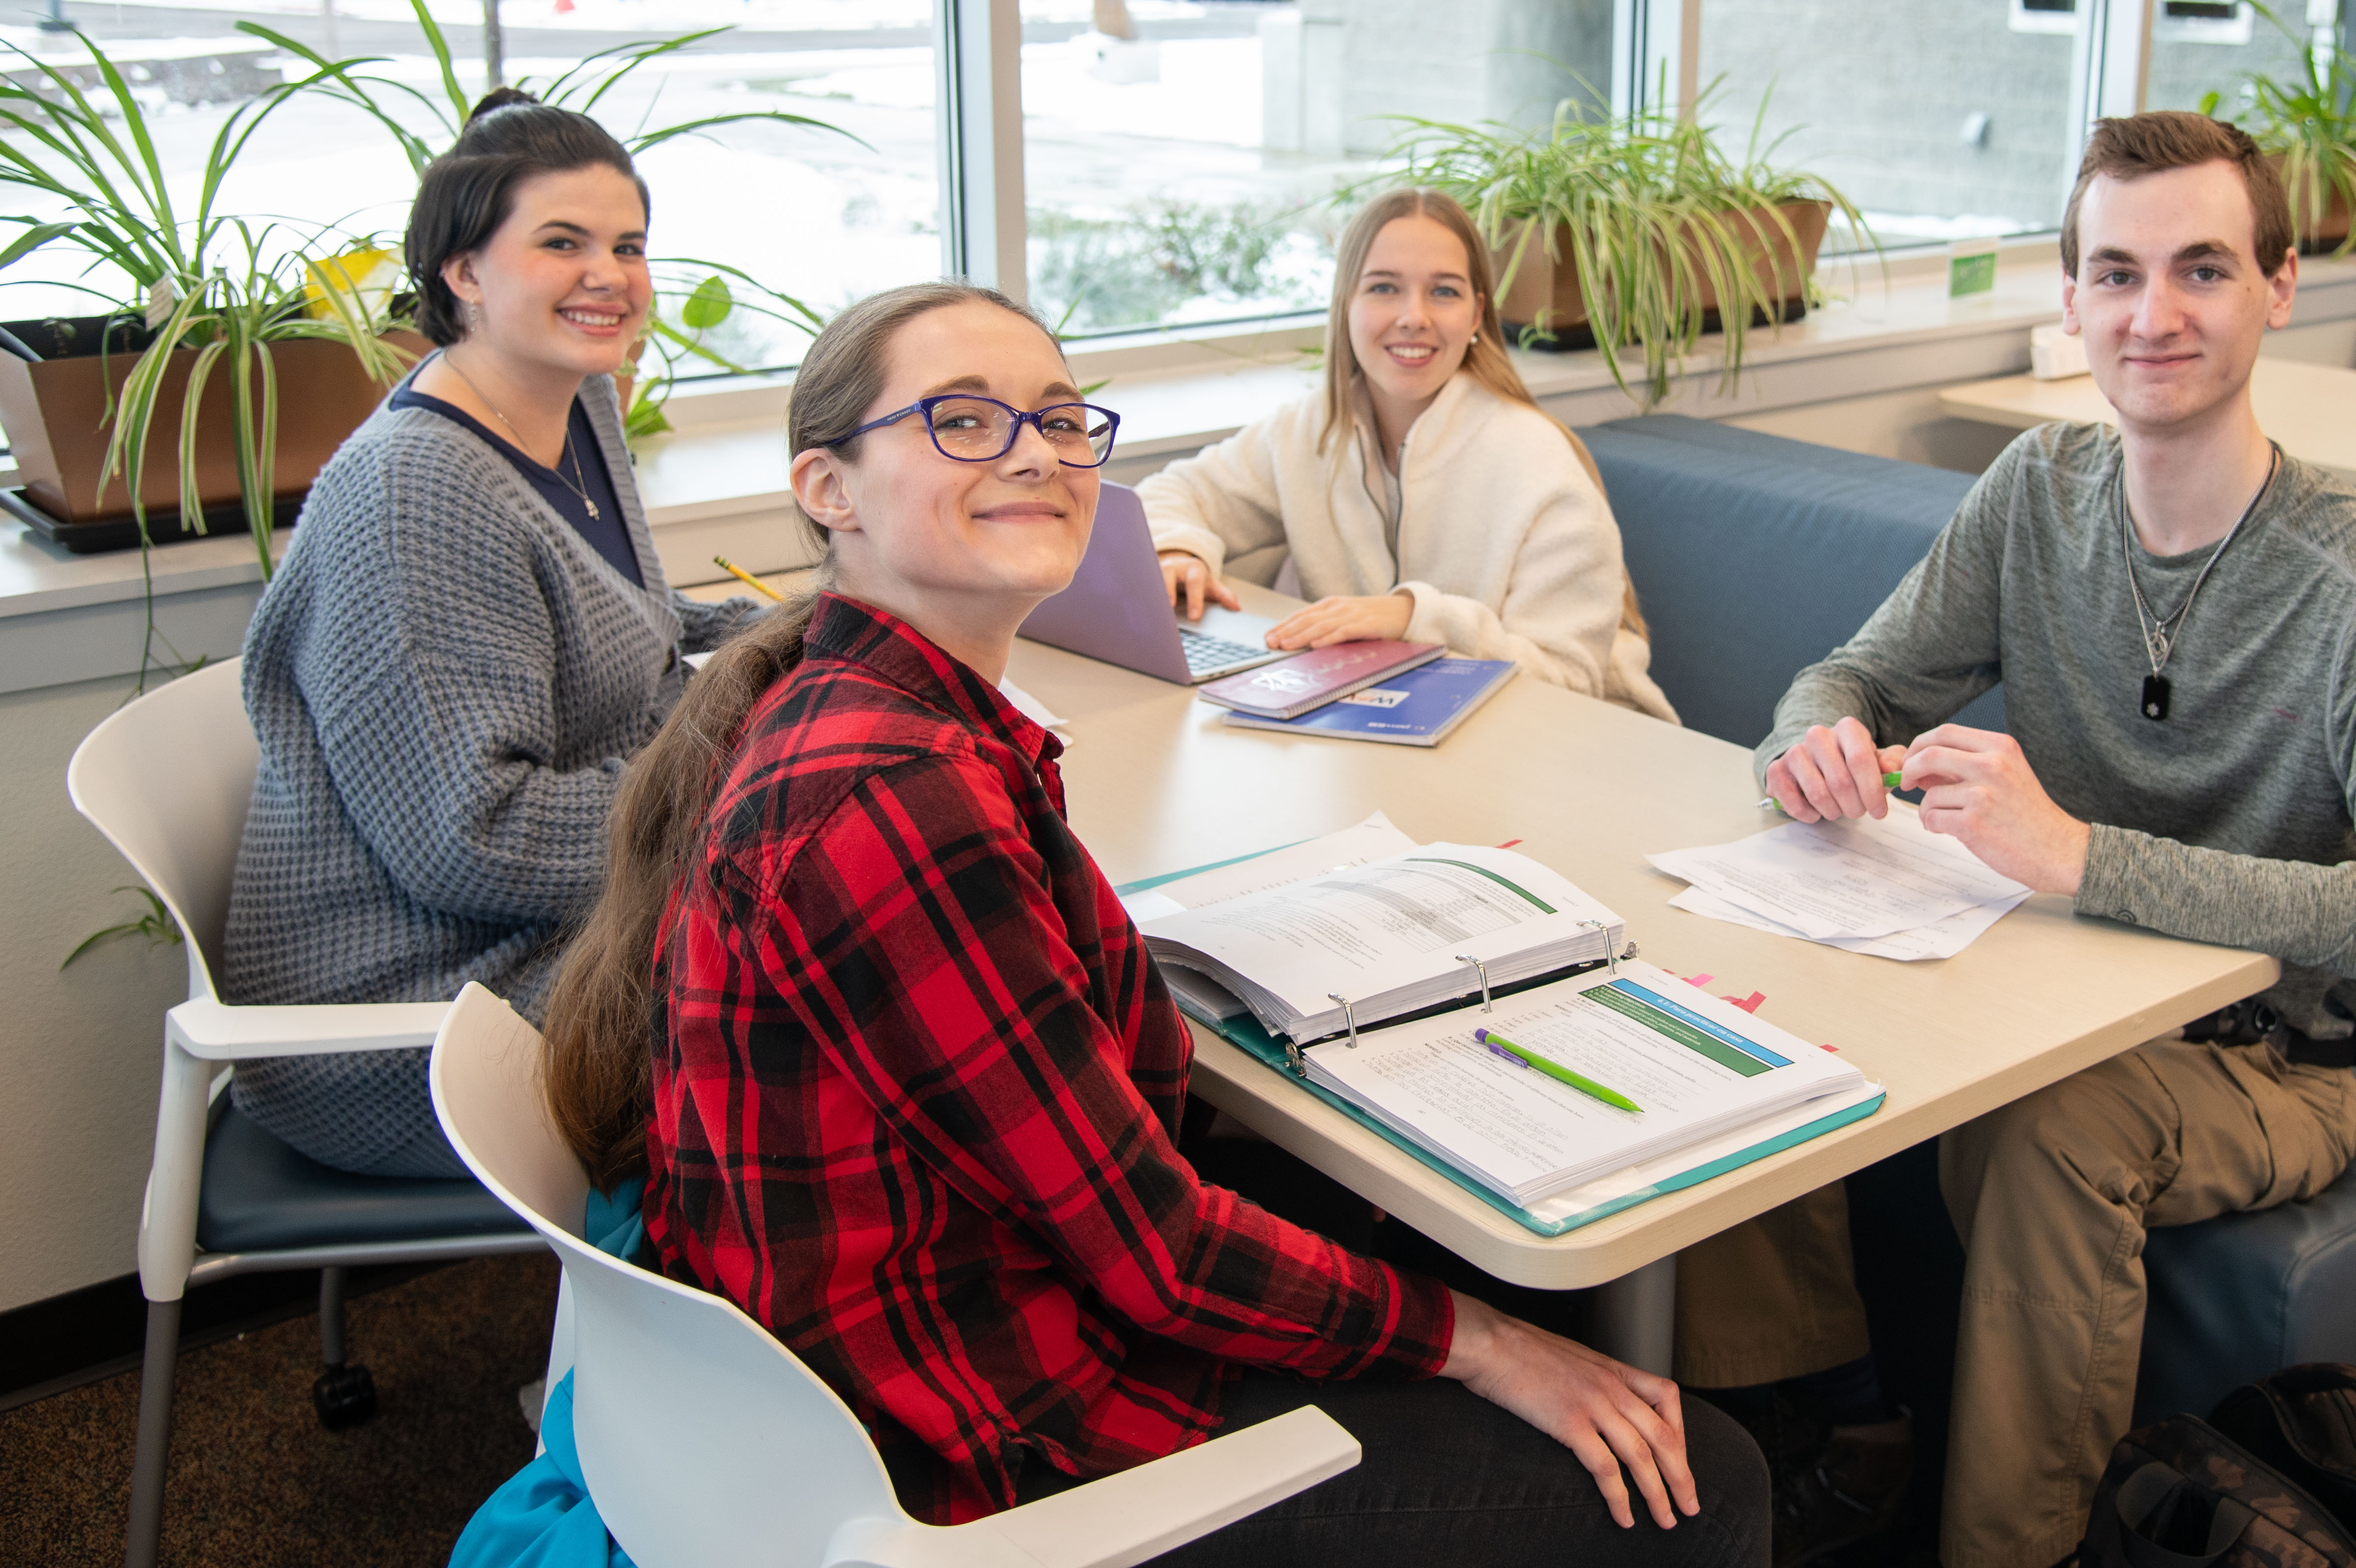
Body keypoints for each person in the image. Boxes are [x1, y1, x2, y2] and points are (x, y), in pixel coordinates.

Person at [539, 282, 1766, 1563]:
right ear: (829, 489)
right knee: (1705, 1480)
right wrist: (1495, 1347)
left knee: (1417, 1234)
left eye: (1061, 423)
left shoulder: (863, 705)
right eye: (963, 421)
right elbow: (1161, 1258)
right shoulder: (898, 793)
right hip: (983, 1430)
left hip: (889, 1330)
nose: (1034, 454)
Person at [1753, 110, 2356, 1568]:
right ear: (2073, 296)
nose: (2152, 316)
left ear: (2281, 286)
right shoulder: (2038, 493)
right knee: (1768, 1010)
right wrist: (1817, 742)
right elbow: (1846, 675)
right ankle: (1823, 1437)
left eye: (2203, 271)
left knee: (2048, 1133)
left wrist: (2081, 856)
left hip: (2262, 1059)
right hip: (2035, 988)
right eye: (2115, 273)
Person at [228, 90, 760, 1179]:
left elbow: (634, 629)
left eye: (628, 244)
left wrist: (819, 634)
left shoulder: (575, 399)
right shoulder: (412, 491)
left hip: (553, 936)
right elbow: (479, 837)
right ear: (463, 271)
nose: (609, 274)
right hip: (418, 1004)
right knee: (836, 973)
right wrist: (743, 790)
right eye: (561, 243)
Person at [1137, 186, 1675, 719]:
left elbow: (1571, 684)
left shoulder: (1540, 463)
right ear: (1346, 305)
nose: (1413, 316)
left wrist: (1413, 617)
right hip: (1394, 733)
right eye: (1384, 288)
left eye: (1444, 292)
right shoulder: (1310, 429)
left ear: (1476, 315)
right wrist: (1178, 550)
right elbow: (1176, 493)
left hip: (1578, 746)